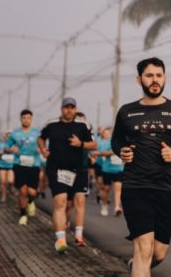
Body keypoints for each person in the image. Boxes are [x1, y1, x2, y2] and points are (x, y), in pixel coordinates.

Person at [112, 57, 171, 276]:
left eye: (159, 75)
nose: (155, 80)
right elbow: (116, 141)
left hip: (166, 188)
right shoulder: (126, 111)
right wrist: (121, 151)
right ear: (140, 79)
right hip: (135, 186)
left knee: (158, 253)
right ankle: (139, 266)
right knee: (144, 247)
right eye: (149, 76)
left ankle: (135, 267)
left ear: (164, 78)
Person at [37, 97, 96, 252]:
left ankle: (78, 235)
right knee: (60, 202)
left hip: (78, 170)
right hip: (56, 169)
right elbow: (40, 138)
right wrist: (43, 149)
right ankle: (60, 240)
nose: (69, 110)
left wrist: (81, 144)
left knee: (75, 203)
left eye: (72, 107)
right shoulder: (52, 124)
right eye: (66, 107)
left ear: (75, 109)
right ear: (62, 109)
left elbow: (93, 144)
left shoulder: (82, 126)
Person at [7, 109, 42, 226]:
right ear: (20, 119)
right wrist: (11, 149)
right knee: (22, 191)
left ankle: (31, 201)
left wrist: (40, 149)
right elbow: (7, 147)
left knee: (32, 191)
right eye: (24, 118)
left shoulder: (37, 133)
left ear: (31, 119)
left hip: (33, 164)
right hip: (19, 164)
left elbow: (44, 145)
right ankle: (23, 215)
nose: (26, 120)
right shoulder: (15, 133)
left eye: (28, 118)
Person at [97, 128, 123, 216]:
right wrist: (113, 152)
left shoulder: (123, 142)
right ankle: (104, 205)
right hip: (107, 169)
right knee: (107, 189)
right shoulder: (107, 142)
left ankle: (117, 207)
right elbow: (102, 153)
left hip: (119, 168)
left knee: (118, 188)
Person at [0, 131, 15, 202]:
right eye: (7, 135)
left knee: (10, 180)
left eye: (9, 136)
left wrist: (12, 151)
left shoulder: (14, 145)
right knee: (3, 182)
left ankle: (11, 186)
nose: (8, 137)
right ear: (5, 136)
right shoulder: (0, 144)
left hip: (11, 165)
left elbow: (18, 153)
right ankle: (3, 196)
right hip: (2, 165)